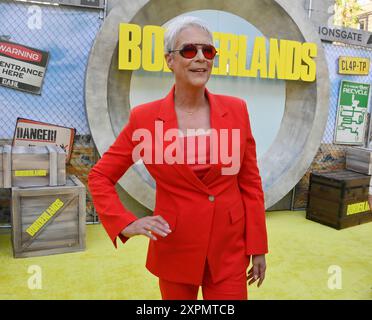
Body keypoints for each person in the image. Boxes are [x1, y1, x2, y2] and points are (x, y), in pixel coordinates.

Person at [88, 15, 268, 300]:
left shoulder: (237, 110)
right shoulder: (144, 119)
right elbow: (100, 176)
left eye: (207, 51)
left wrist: (257, 246)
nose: (200, 58)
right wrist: (125, 222)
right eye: (188, 50)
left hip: (229, 249)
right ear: (169, 60)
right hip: (175, 247)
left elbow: (251, 184)